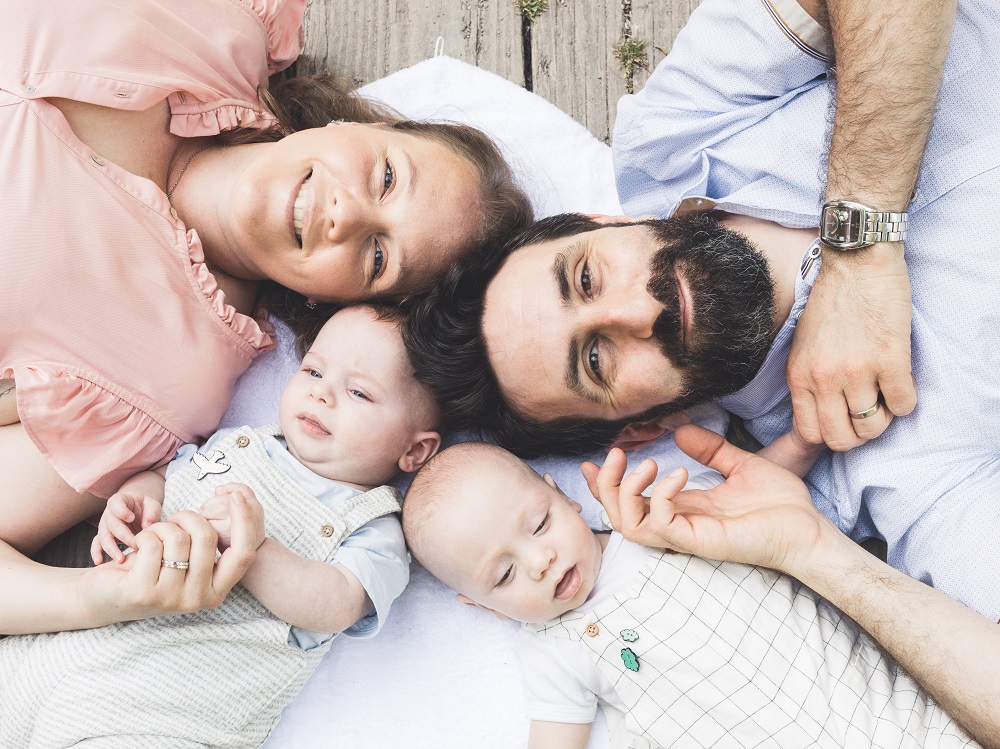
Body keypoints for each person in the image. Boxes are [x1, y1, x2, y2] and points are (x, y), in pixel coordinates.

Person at [403, 0, 1000, 621]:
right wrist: (810, 551)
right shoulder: (879, 471)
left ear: (611, 222)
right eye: (597, 358)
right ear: (641, 427)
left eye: (587, 276)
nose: (638, 309)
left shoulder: (679, 135)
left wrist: (860, 253)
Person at [0, 0, 532, 634]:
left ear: (339, 303)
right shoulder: (222, 27)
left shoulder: (164, 381)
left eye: (378, 255)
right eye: (388, 176)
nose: (349, 214)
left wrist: (98, 598)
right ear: (350, 124)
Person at [0, 304, 441, 748]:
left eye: (359, 393)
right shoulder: (238, 441)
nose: (321, 395)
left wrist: (255, 552)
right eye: (312, 372)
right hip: (56, 650)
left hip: (159, 711)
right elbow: (167, 477)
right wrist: (136, 500)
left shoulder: (373, 525)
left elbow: (338, 604)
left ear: (415, 451)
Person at [402, 439, 987, 748]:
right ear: (480, 606)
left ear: (562, 495)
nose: (540, 561)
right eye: (502, 576)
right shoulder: (555, 648)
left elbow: (756, 495)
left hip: (893, 710)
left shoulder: (651, 516)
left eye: (538, 525)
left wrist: (806, 441)